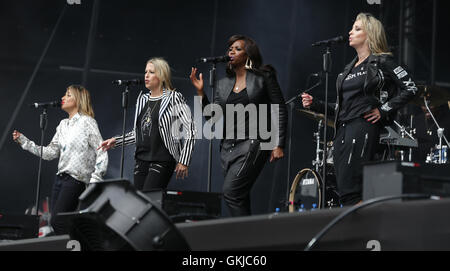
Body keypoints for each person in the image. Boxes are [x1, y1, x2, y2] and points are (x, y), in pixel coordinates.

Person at [302, 13, 418, 206]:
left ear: (370, 34)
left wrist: (384, 110)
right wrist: (316, 104)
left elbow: (411, 87)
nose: (350, 32)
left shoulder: (383, 61)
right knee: (344, 189)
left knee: (352, 190)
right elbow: (341, 108)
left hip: (362, 127)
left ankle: (359, 231)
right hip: (342, 131)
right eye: (352, 28)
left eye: (357, 29)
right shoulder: (349, 69)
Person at [190, 34, 288, 216]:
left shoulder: (264, 76)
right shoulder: (223, 84)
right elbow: (213, 119)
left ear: (248, 54)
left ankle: (244, 237)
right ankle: (248, 238)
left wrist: (278, 143)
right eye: (230, 49)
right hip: (228, 147)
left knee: (231, 193)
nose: (231, 51)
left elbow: (279, 109)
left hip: (255, 142)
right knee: (239, 197)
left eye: (237, 48)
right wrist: (201, 92)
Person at [13, 85, 108, 234]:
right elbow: (50, 152)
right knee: (56, 222)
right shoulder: (63, 125)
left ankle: (80, 244)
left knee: (58, 221)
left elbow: (101, 149)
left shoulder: (87, 122)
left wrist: (96, 178)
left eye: (68, 95)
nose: (63, 98)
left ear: (78, 100)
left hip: (76, 179)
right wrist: (25, 142)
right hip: (60, 179)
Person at [99, 57, 196, 191]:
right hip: (141, 159)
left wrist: (184, 160)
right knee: (140, 201)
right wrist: (116, 141)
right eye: (145, 72)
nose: (146, 75)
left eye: (151, 72)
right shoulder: (142, 99)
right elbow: (139, 133)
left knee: (150, 197)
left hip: (162, 159)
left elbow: (191, 129)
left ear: (162, 76)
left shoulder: (174, 98)